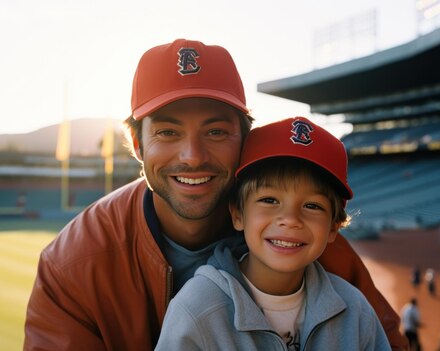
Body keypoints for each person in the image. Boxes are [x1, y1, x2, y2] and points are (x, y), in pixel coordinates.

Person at [23, 38, 406, 350]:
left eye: (216, 132)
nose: (193, 156)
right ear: (138, 146)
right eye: (168, 132)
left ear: (244, 142)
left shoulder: (293, 233)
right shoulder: (74, 263)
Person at [155, 117, 391, 350]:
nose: (289, 219)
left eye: (312, 206)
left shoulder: (355, 310)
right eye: (269, 200)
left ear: (333, 227)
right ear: (238, 214)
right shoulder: (197, 309)